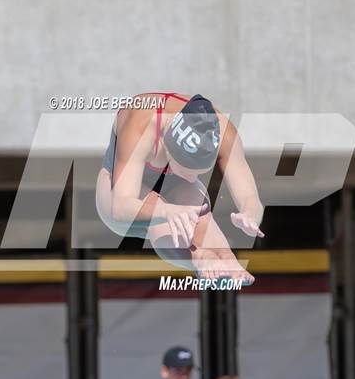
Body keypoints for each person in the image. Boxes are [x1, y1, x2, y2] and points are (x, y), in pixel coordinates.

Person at [96, 92, 264, 283]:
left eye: (200, 171)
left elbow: (251, 199)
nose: (194, 177)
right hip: (116, 194)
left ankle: (226, 259)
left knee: (200, 210)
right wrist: (166, 211)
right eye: (187, 170)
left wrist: (250, 216)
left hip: (174, 187)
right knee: (158, 214)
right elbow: (121, 207)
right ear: (167, 146)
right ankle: (199, 259)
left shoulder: (223, 131)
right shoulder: (142, 121)